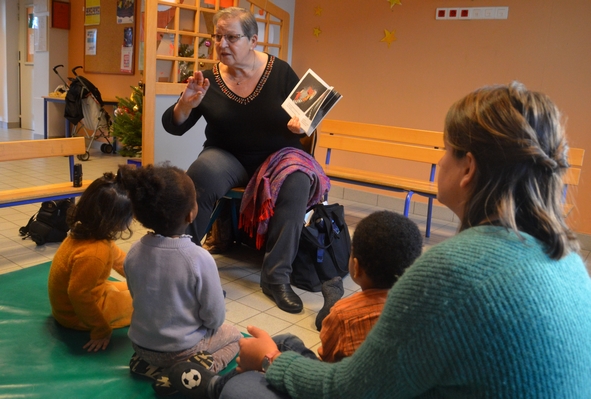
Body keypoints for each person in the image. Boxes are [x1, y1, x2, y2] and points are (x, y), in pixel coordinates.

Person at [177, 82, 591, 398]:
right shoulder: (567, 258)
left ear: (469, 170)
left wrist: (269, 362)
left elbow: (349, 391)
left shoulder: (451, 271)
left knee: (243, 385)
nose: (439, 160)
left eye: (445, 150)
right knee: (286, 341)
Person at [161, 7, 330, 314]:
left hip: (279, 157)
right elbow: (175, 126)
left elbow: (310, 112)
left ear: (253, 40)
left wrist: (304, 124)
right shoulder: (208, 80)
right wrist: (185, 104)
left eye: (232, 37)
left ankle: (277, 278)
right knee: (199, 175)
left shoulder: (279, 71)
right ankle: (181, 267)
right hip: (227, 155)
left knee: (297, 182)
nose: (222, 44)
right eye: (218, 37)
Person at [166, 210, 423, 398]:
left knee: (240, 390)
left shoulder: (345, 315)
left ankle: (219, 387)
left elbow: (328, 374)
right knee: (288, 340)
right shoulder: (422, 309)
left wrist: (269, 361)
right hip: (352, 382)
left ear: (355, 267)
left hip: (334, 387)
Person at [116, 164, 242, 395]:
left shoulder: (133, 252)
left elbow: (139, 297)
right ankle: (187, 374)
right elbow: (214, 318)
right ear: (191, 213)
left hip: (141, 346)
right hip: (182, 350)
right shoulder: (198, 258)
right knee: (235, 337)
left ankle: (150, 367)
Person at [48, 172, 134, 352]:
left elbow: (119, 260)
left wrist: (144, 278)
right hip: (76, 315)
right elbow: (79, 295)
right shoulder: (95, 252)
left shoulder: (91, 232)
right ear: (115, 220)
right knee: (146, 302)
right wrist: (100, 330)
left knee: (140, 288)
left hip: (84, 299)